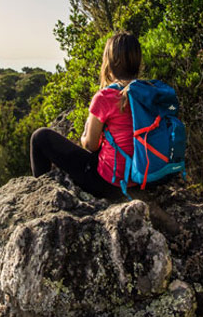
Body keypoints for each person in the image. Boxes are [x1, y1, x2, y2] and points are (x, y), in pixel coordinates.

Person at [30, 33, 141, 199]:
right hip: (146, 174)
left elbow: (91, 145)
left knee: (39, 137)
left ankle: (40, 197)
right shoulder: (149, 92)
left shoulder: (106, 97)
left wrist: (83, 137)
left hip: (111, 183)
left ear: (110, 62)